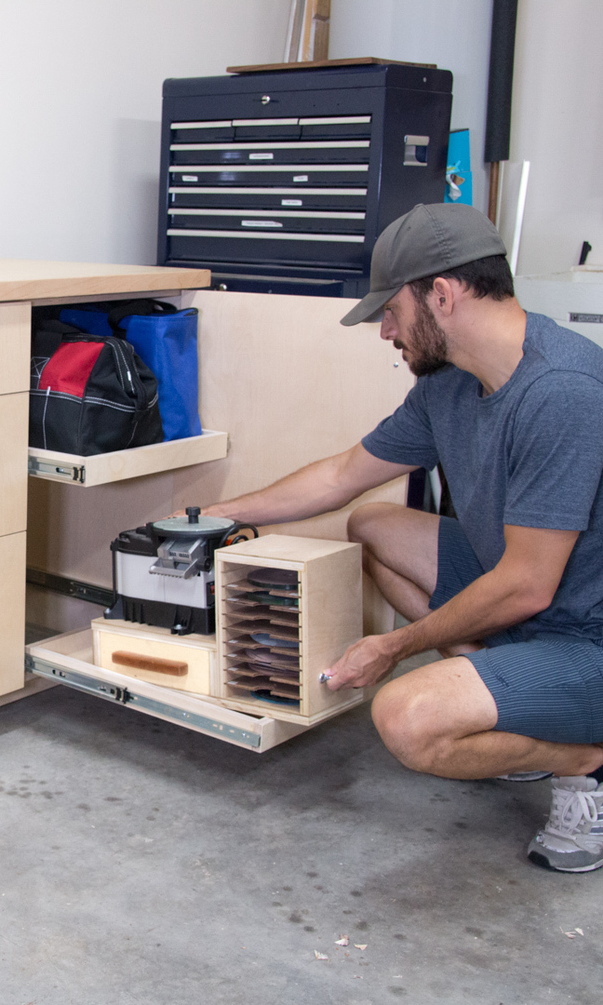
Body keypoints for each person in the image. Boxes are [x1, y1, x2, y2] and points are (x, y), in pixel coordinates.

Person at [199, 202, 603, 873]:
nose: (385, 330)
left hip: (584, 633)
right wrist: (210, 513)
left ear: (440, 295)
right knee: (374, 526)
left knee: (406, 718)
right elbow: (340, 476)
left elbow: (527, 586)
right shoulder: (450, 384)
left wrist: (393, 647)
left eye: (391, 309)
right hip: (537, 600)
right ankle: (520, 707)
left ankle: (582, 762)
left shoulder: (560, 392)